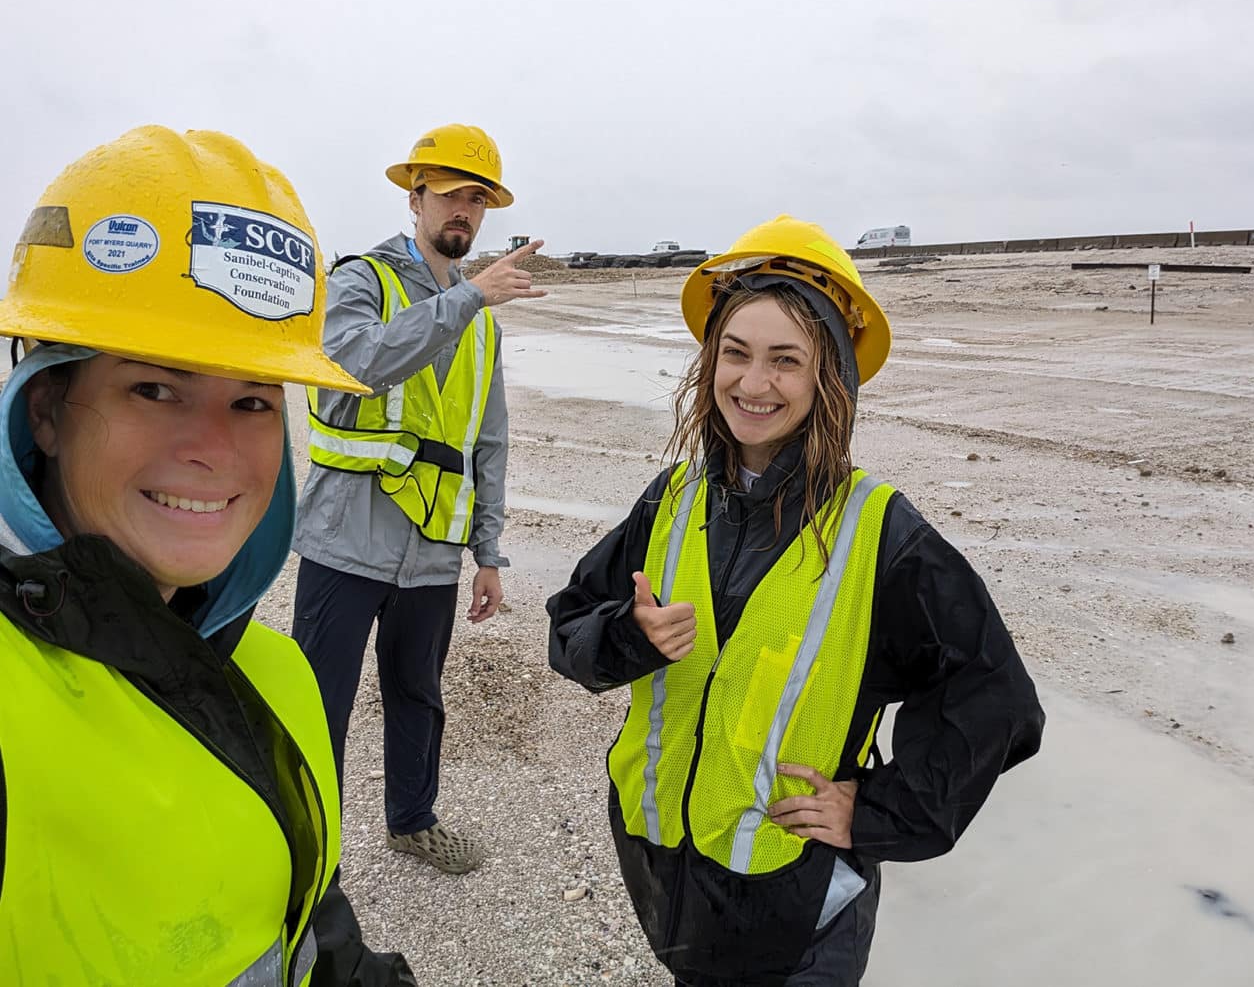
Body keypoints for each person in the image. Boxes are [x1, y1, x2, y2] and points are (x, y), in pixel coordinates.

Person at [548, 215, 1045, 986]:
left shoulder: (880, 534)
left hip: (800, 920)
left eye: (786, 361)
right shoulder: (674, 499)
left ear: (829, 377)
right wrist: (629, 637)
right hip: (674, 889)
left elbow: (997, 702)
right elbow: (569, 627)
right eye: (737, 354)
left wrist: (876, 811)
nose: (753, 384)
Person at [0, 127, 414, 985]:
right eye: (154, 388)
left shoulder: (275, 672)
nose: (213, 450)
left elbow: (309, 935)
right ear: (45, 408)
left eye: (254, 401)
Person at [291, 123, 546, 874]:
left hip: (433, 549)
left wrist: (489, 553)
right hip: (347, 539)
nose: (465, 211)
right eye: (452, 195)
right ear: (417, 196)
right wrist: (466, 298)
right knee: (317, 707)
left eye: (479, 199)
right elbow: (354, 363)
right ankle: (308, 854)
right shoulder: (362, 280)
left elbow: (487, 440)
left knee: (418, 699)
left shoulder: (478, 321)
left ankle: (413, 823)